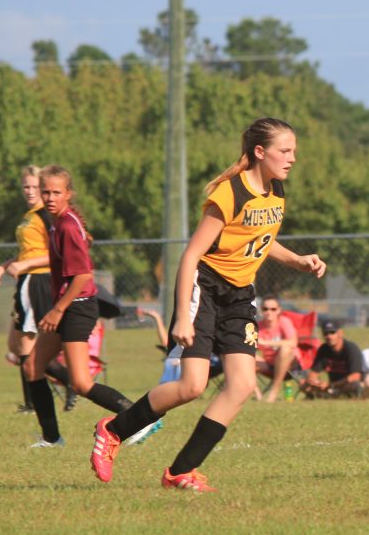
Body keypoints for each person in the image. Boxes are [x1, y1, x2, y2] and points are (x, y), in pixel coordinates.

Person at [87, 117, 326, 491]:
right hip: (205, 290)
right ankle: (114, 429)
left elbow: (260, 239)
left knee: (242, 385)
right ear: (260, 152)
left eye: (294, 150)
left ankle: (179, 471)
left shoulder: (275, 190)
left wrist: (296, 259)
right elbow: (190, 256)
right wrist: (183, 315)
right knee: (191, 386)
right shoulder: (229, 193)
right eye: (285, 150)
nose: (292, 157)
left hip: (240, 296)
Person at [23, 164, 134, 447]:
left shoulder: (68, 225)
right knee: (33, 367)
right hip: (68, 305)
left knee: (82, 383)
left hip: (78, 307)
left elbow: (83, 275)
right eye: (44, 191)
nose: (49, 197)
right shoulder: (61, 222)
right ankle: (51, 438)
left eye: (56, 192)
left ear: (68, 194)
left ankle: (138, 417)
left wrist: (58, 309)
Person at [0, 165, 73, 414]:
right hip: (25, 280)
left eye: (35, 187)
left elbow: (55, 254)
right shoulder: (30, 215)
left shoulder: (46, 216)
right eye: (25, 186)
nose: (29, 191)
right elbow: (29, 251)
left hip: (40, 282)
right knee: (16, 346)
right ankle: (38, 399)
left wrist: (25, 264)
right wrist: (6, 265)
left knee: (28, 348)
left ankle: (58, 388)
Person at [255, 295, 300, 402]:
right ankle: (258, 395)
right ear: (261, 310)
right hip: (268, 364)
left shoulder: (284, 322)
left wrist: (266, 342)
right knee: (247, 357)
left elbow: (293, 342)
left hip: (289, 364)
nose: (269, 312)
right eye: (265, 309)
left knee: (285, 349)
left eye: (273, 309)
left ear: (279, 310)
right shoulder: (258, 326)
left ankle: (274, 391)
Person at [302, 320, 364, 399]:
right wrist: (314, 382)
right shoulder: (323, 349)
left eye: (332, 332)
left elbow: (355, 376)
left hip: (345, 385)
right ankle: (327, 395)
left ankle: (331, 395)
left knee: (355, 385)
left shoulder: (351, 349)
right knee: (304, 384)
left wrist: (330, 385)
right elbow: (313, 373)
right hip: (331, 387)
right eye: (326, 333)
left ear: (340, 333)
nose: (329, 336)